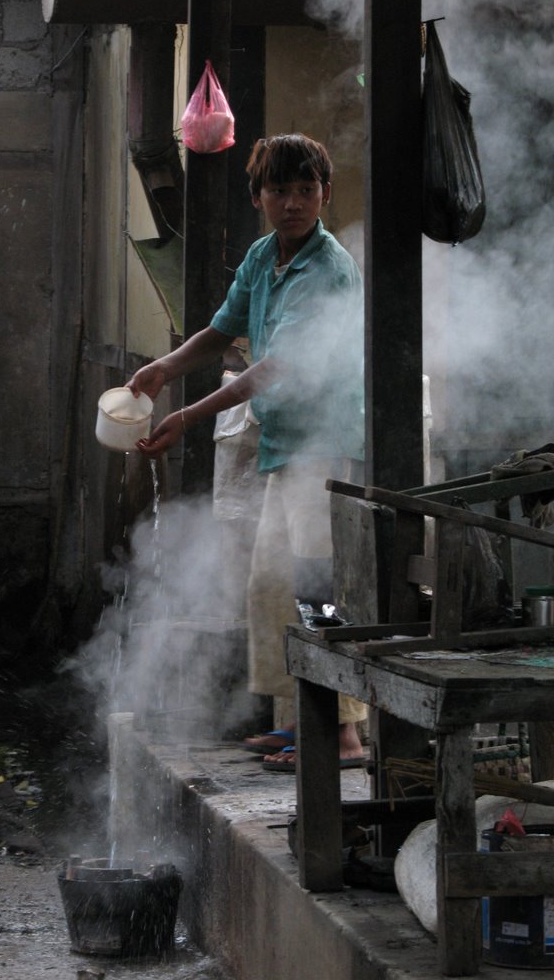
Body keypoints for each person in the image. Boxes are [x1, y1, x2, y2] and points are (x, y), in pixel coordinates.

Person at [128, 133, 367, 769]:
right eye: (280, 190)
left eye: (306, 190)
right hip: (283, 443)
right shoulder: (265, 256)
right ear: (258, 196)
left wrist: (185, 412)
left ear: (323, 193)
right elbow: (222, 329)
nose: (293, 202)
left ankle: (343, 733)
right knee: (269, 584)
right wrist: (164, 368)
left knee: (317, 584)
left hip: (323, 442)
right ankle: (297, 721)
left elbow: (273, 369)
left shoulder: (329, 268)